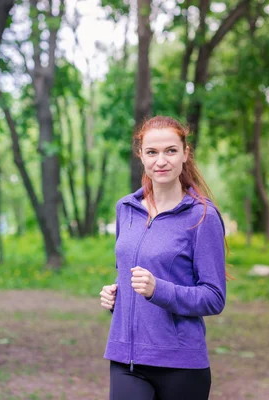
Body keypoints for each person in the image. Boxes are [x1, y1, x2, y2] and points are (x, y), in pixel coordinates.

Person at [99, 115, 227, 400]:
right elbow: (129, 275)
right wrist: (115, 297)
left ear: (185, 154)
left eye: (170, 150)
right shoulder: (126, 209)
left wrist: (159, 290)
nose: (161, 161)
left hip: (180, 364)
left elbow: (214, 297)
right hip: (126, 358)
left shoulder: (202, 216)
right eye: (152, 152)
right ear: (141, 156)